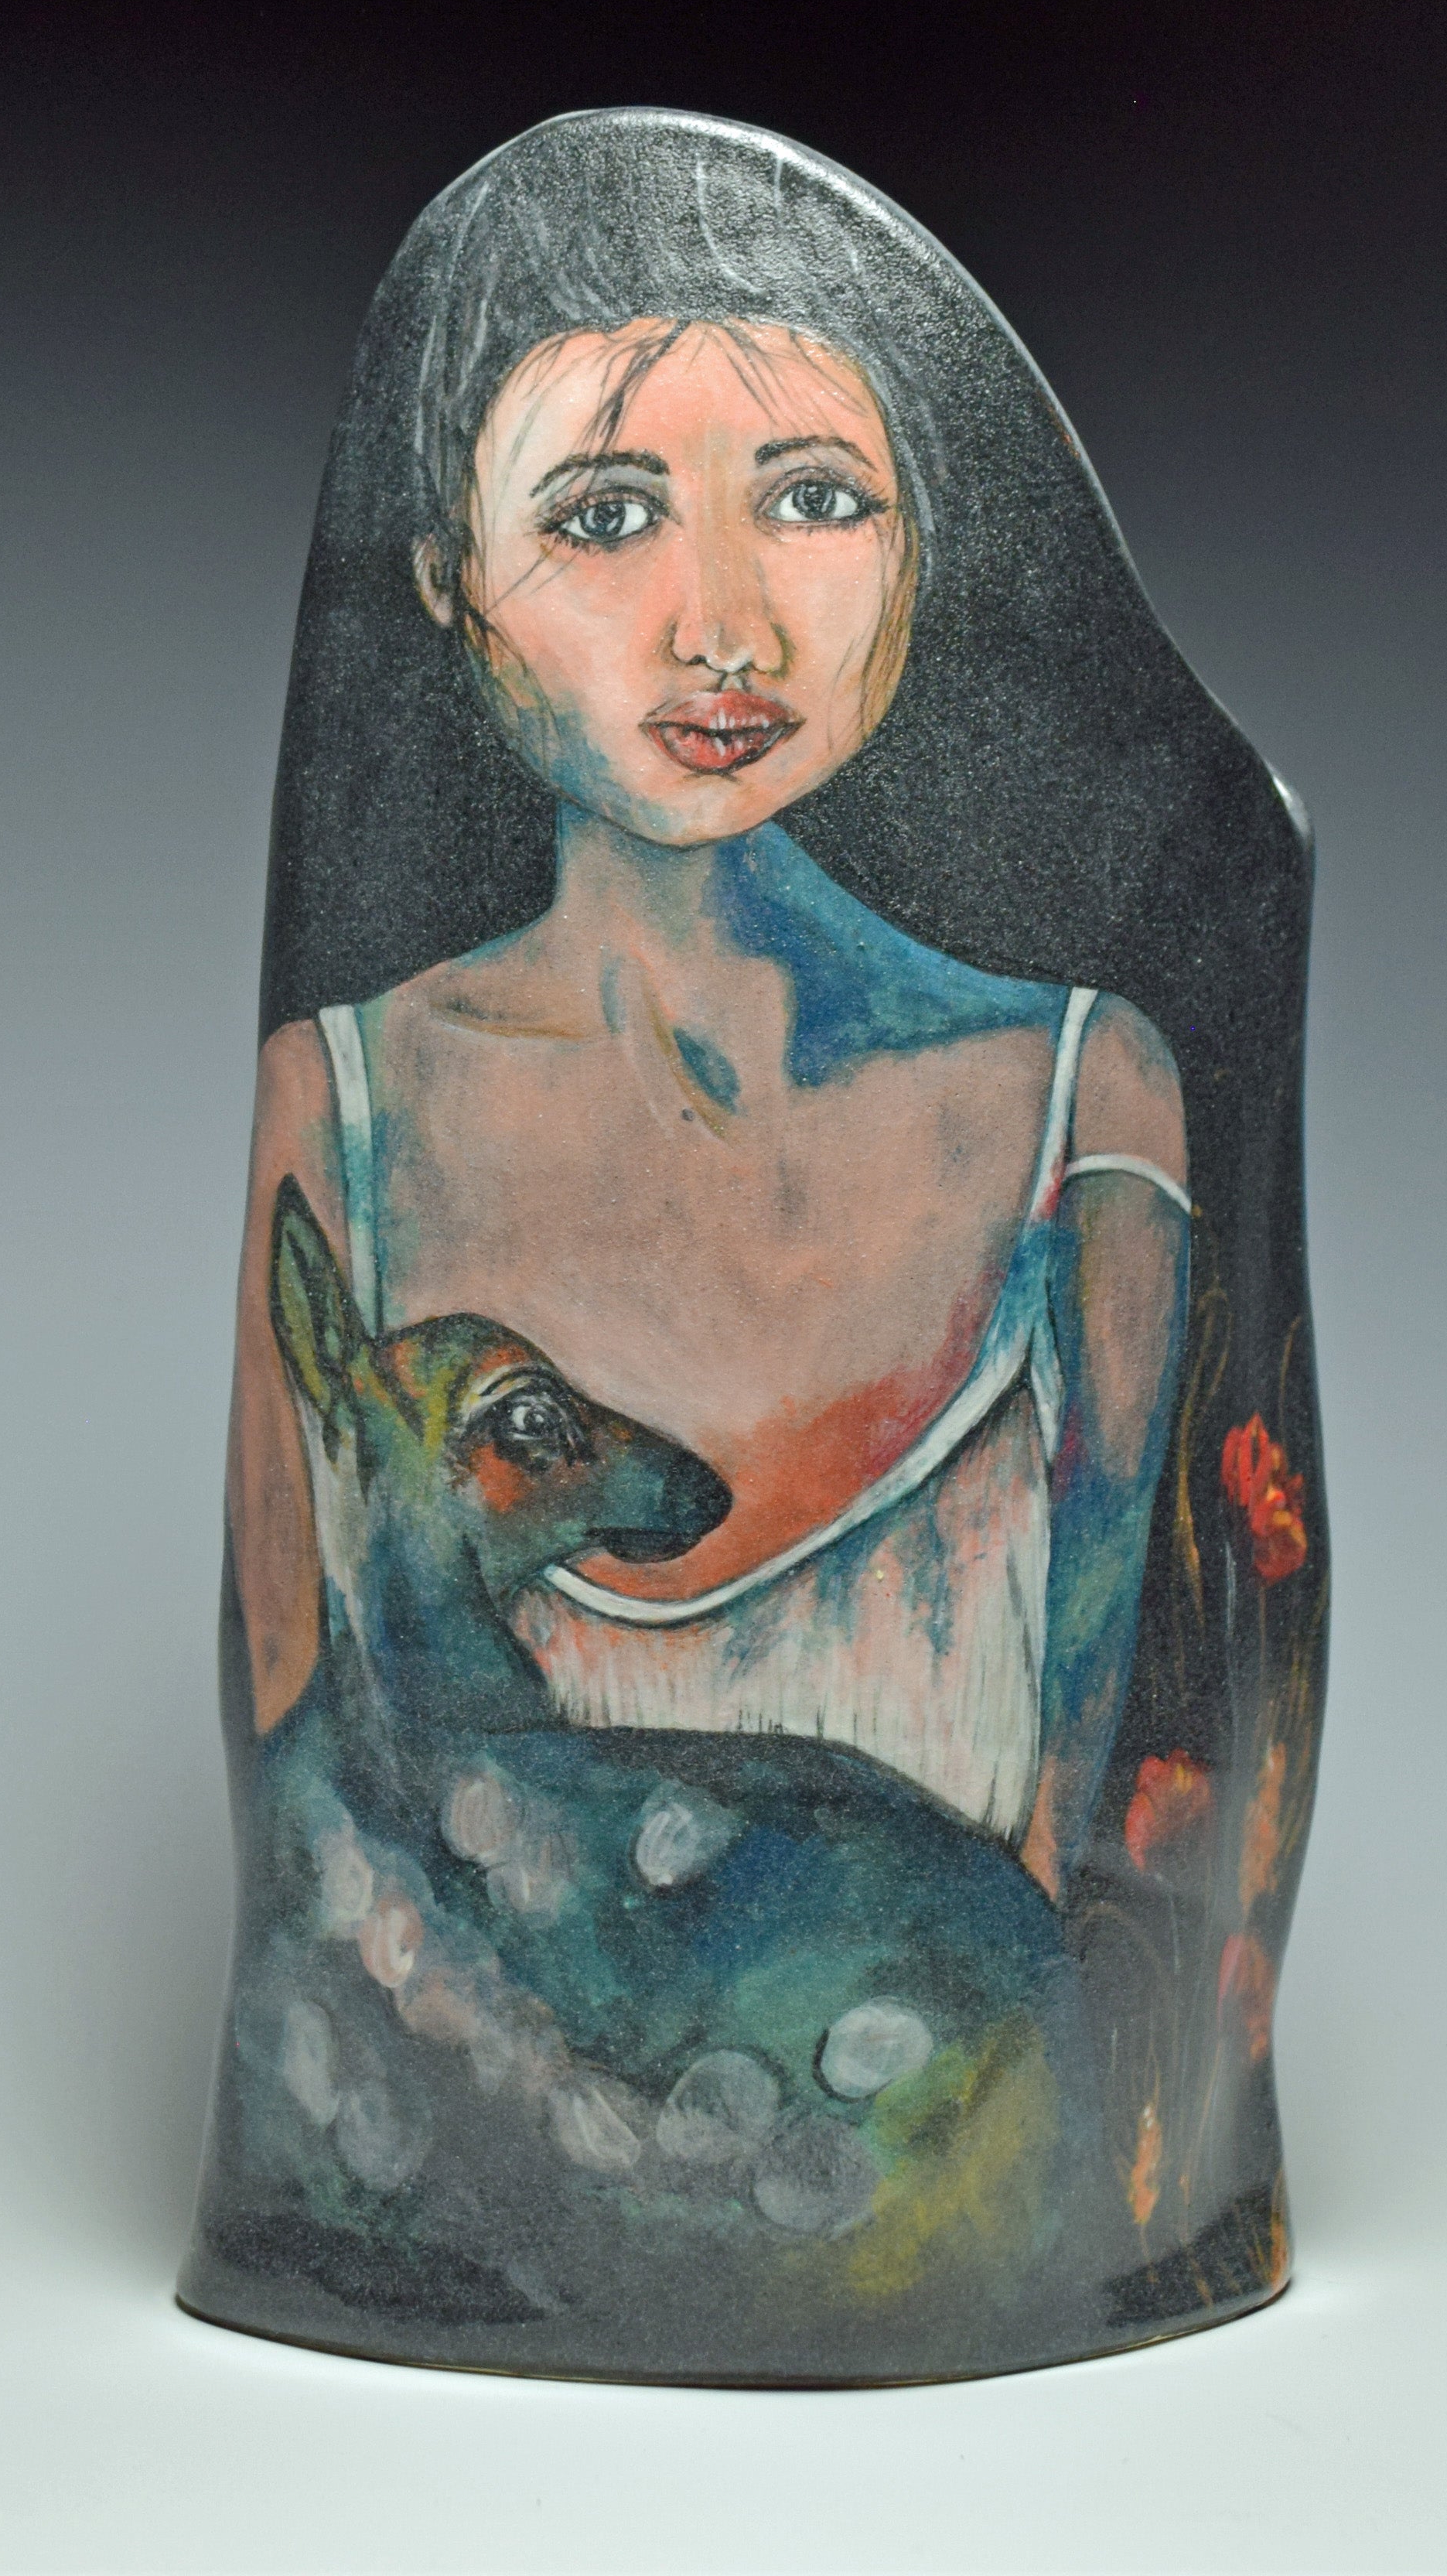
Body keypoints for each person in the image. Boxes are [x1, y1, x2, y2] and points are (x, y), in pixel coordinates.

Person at [228, 125, 1191, 1901]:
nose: (727, 629)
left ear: (919, 544)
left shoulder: (1086, 1104)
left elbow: (1097, 1876)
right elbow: (303, 1831)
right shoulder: (344, 1112)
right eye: (605, 516)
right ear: (446, 571)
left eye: (815, 499)